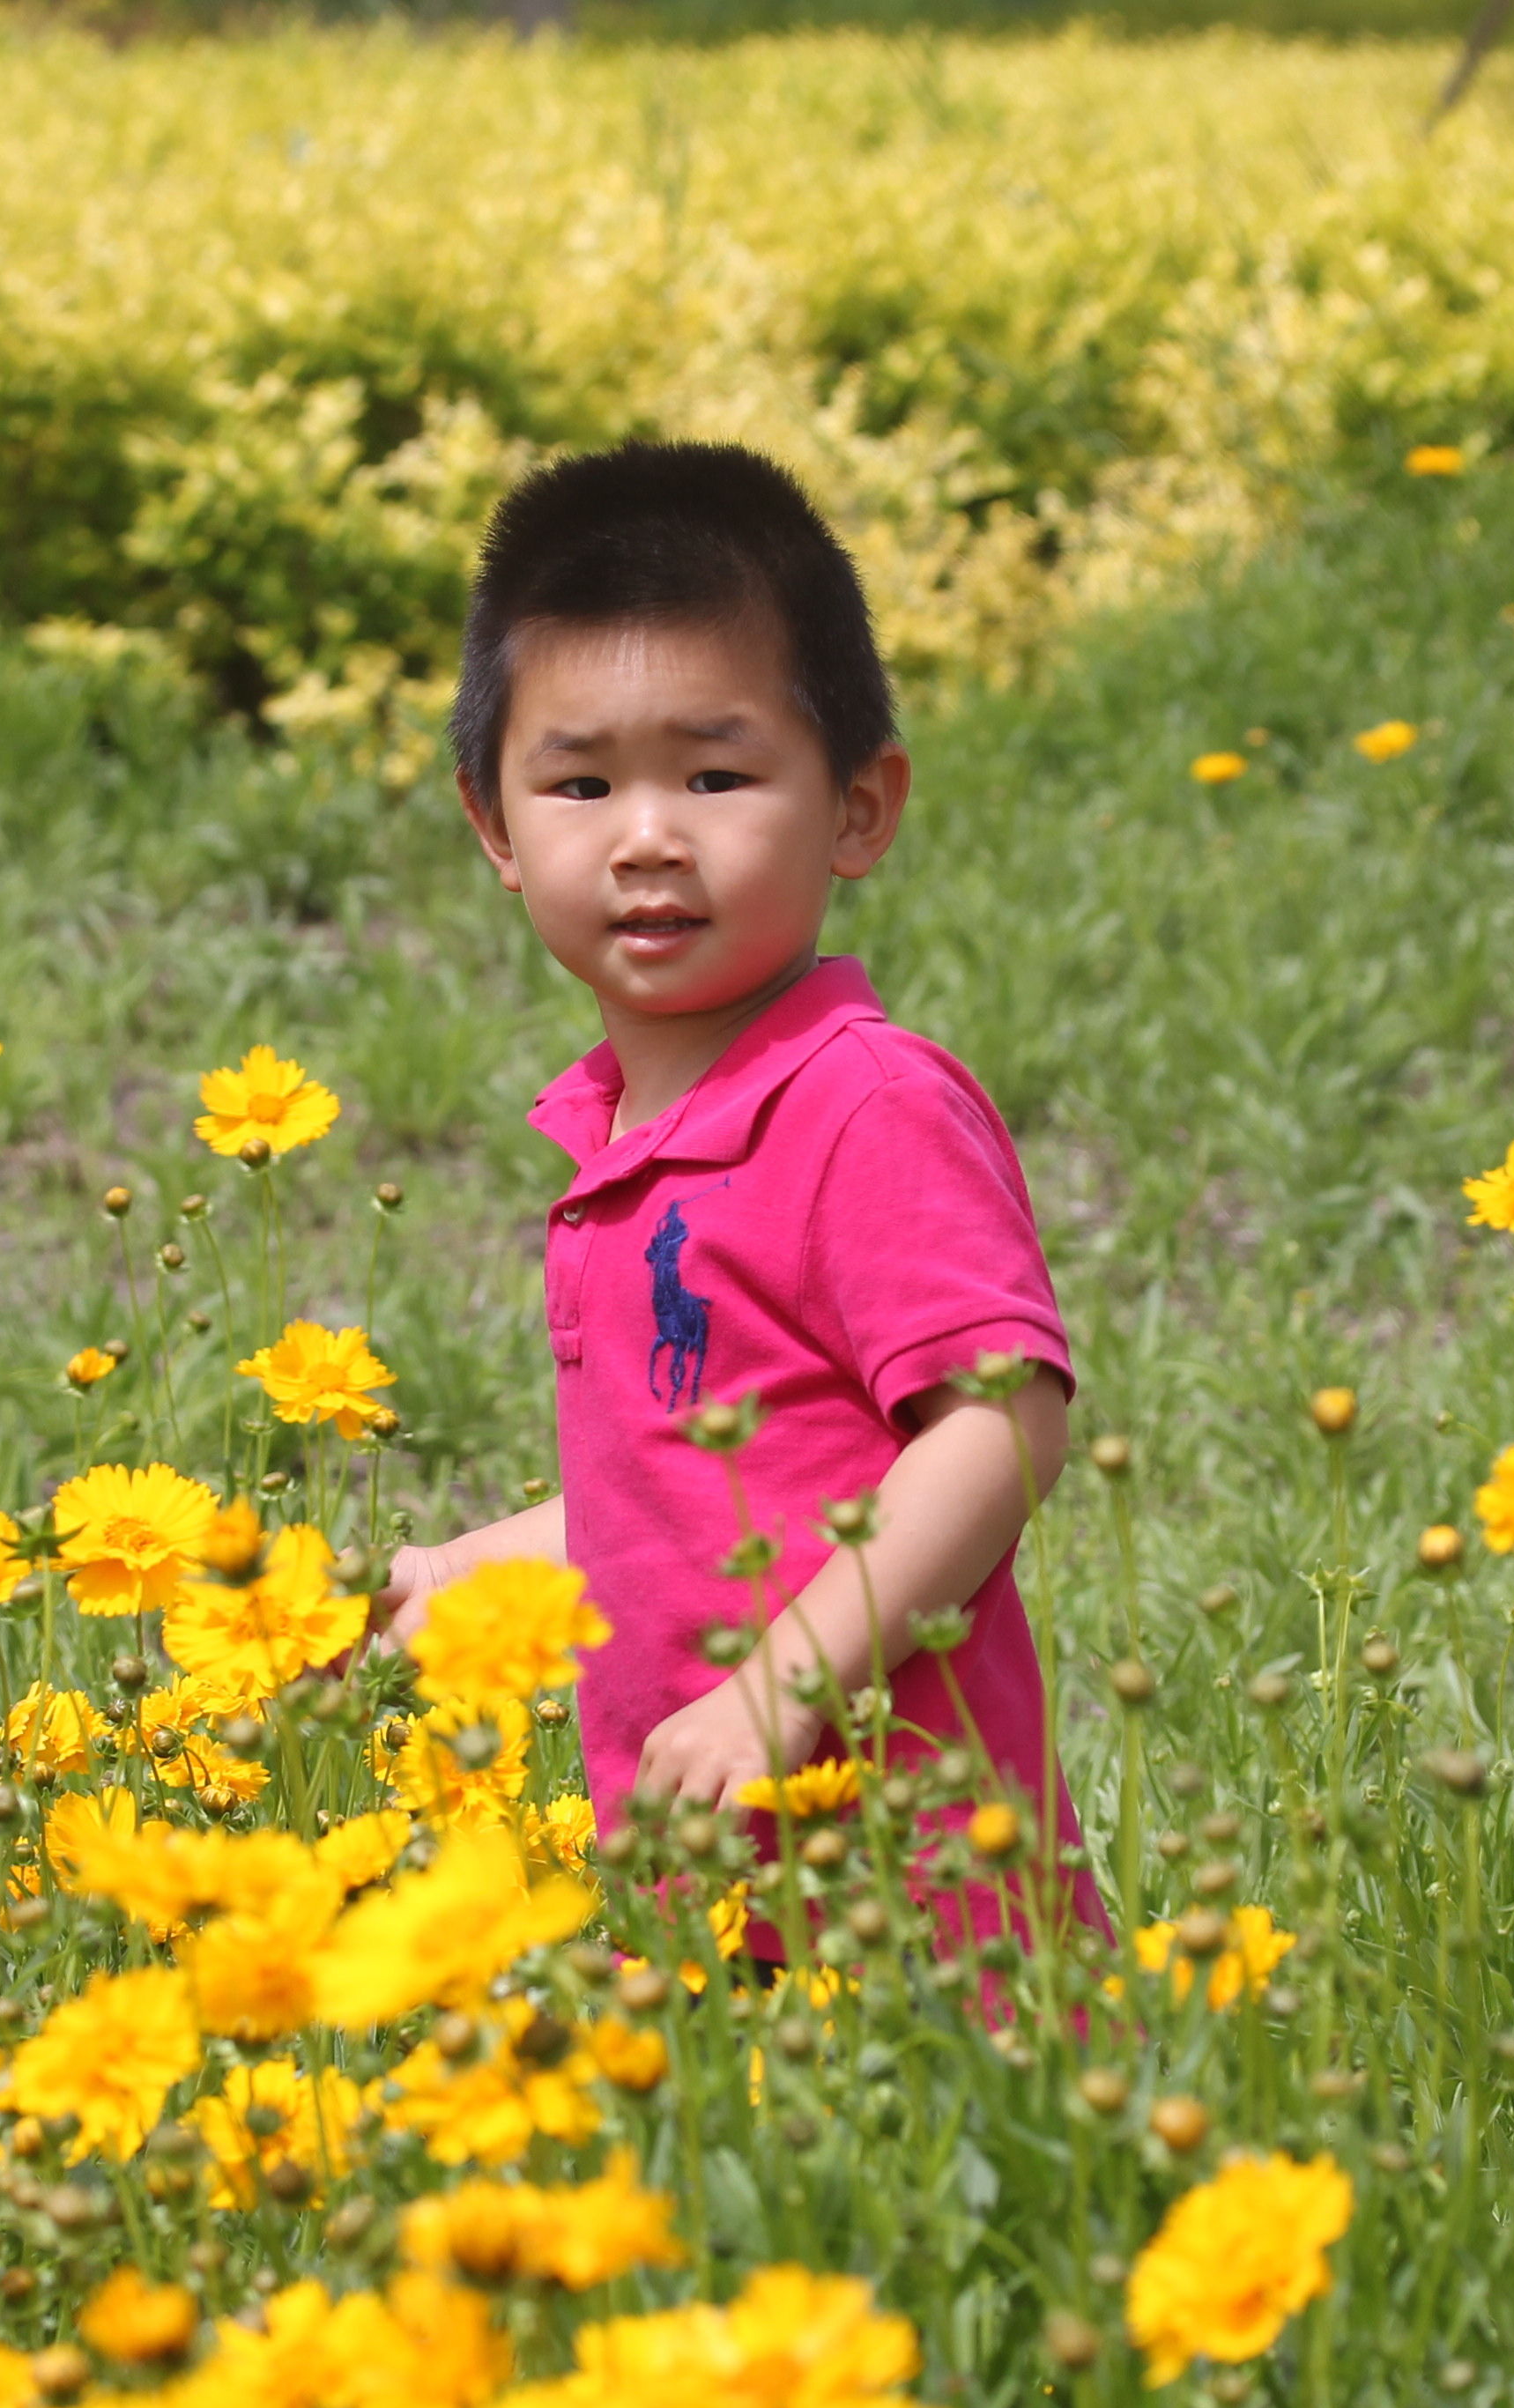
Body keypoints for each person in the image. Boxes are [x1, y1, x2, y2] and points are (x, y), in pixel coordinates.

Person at [374, 441, 1087, 1917]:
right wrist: (466, 1572)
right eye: (580, 784)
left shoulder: (861, 1105)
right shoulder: (622, 1141)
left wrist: (780, 1687)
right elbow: (688, 1497)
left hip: (915, 1911)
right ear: (495, 829)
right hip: (714, 1918)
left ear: (857, 807)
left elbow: (1002, 1424)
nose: (647, 837)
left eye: (716, 773)